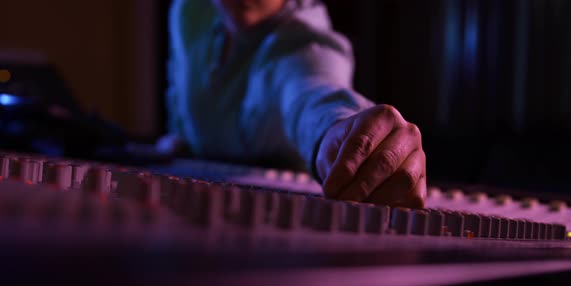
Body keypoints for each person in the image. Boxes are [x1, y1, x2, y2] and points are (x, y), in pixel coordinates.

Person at [159, 0, 427, 208]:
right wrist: (178, 138)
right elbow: (179, 92)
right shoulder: (190, 11)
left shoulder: (305, 43)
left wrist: (343, 129)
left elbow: (315, 91)